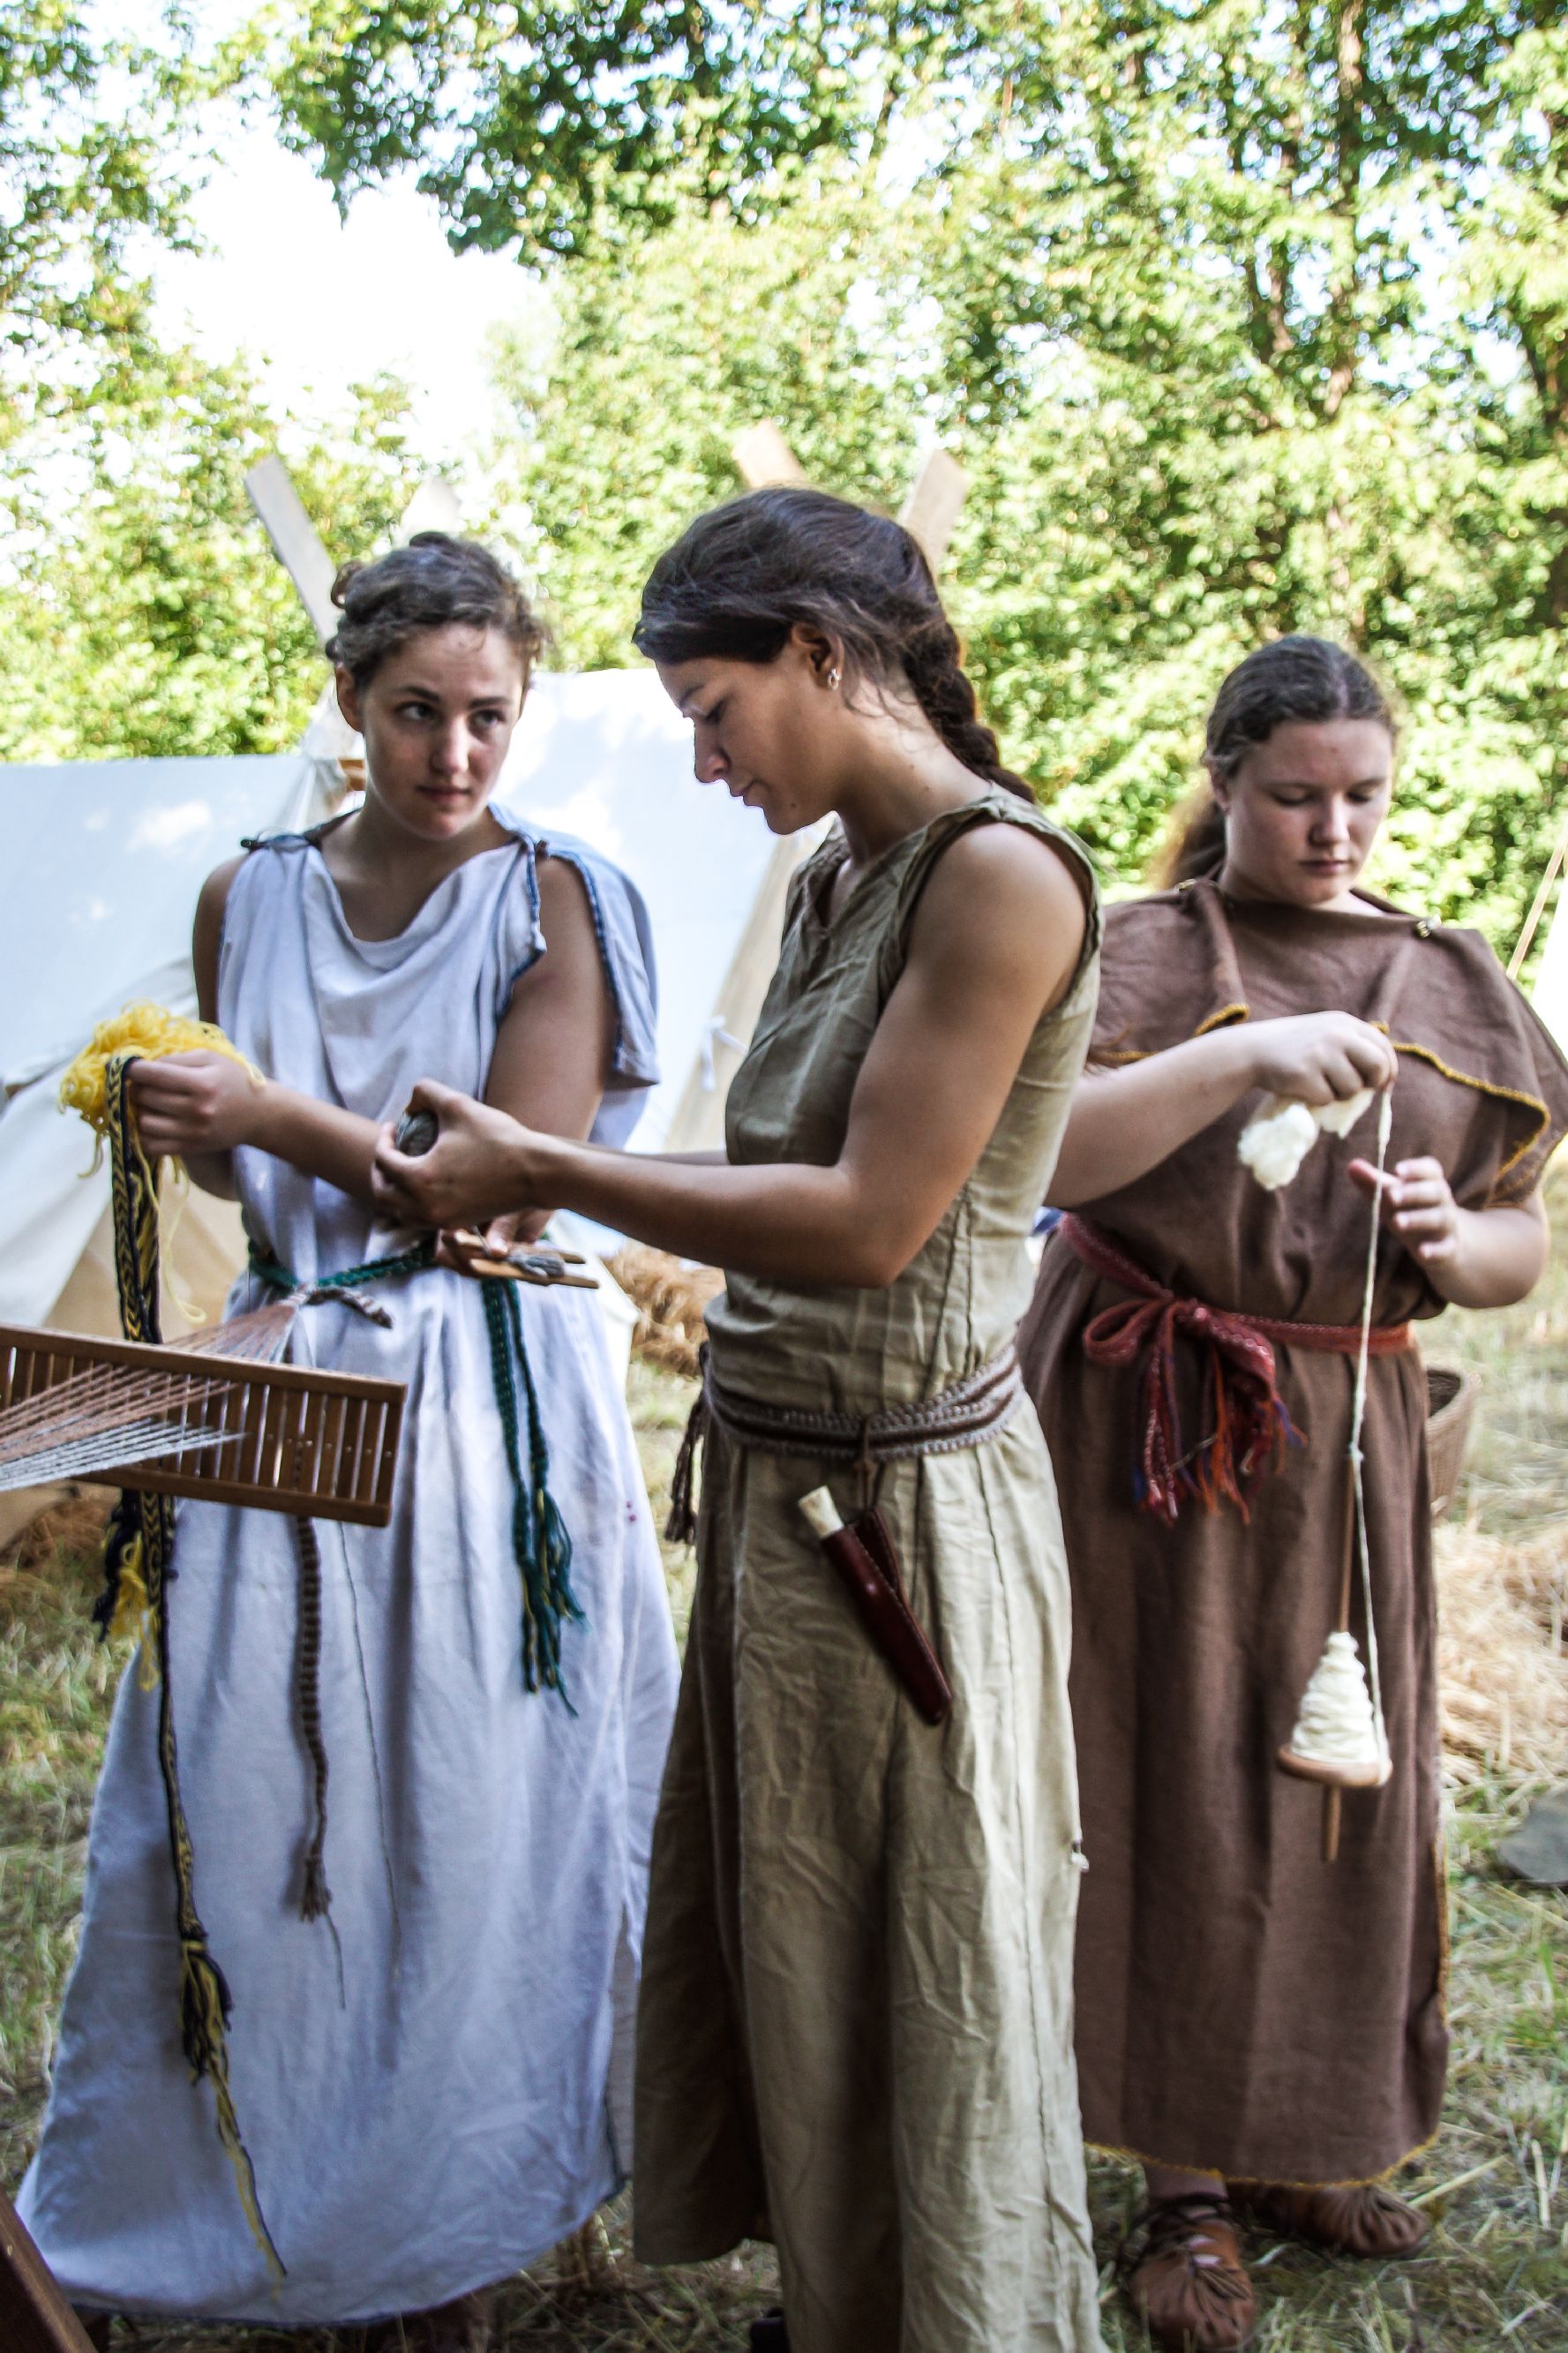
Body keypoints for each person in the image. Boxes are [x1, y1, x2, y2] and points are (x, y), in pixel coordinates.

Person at [372, 487, 1107, 2353]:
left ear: (823, 652)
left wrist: (554, 1164)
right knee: (808, 1954)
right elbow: (893, 1152)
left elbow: (874, 1221)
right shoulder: (834, 877)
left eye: (712, 705)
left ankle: (952, 2312)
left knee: (925, 1970)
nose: (698, 758)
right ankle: (848, 2298)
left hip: (908, 1542)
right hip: (796, 1509)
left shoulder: (997, 873)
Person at [19, 534, 681, 2351]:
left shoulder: (560, 897)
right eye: (416, 712)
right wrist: (185, 1125)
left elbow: (500, 1190)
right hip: (296, 1394)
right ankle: (278, 2195)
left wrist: (273, 1112)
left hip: (485, 1409)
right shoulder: (251, 896)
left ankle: (448, 2244)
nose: (454, 751)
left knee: (462, 1817)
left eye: (488, 714)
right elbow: (266, 1170)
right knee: (257, 1797)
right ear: (347, 703)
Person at [1017, 635, 1568, 2352]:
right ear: (1228, 783)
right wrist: (1235, 1065)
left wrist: (1445, 1238)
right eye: (1293, 797)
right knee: (1171, 1787)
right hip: (1149, 1415)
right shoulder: (1142, 949)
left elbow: (1520, 1243)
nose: (1333, 829)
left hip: (1347, 1436)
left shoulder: (1450, 978)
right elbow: (1034, 1156)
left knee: (1336, 1793)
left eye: (1360, 796)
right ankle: (1182, 2187)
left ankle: (1296, 2135)